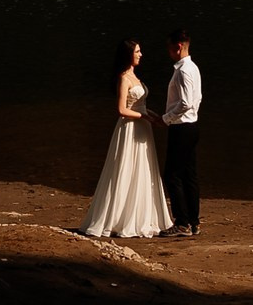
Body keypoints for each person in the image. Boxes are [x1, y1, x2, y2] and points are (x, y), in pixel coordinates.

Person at [79, 39, 172, 238]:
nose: (141, 54)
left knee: (143, 169)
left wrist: (155, 116)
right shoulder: (124, 78)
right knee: (126, 169)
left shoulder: (135, 76)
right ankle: (119, 218)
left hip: (142, 128)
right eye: (137, 51)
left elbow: (140, 105)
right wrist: (144, 117)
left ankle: (141, 216)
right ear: (128, 54)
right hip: (129, 129)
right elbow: (122, 110)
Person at [157, 29, 202, 237]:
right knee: (189, 174)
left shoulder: (184, 70)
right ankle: (193, 221)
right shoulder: (193, 68)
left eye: (169, 48)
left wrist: (165, 119)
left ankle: (183, 222)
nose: (169, 52)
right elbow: (197, 99)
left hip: (182, 127)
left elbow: (185, 102)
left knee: (173, 174)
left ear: (178, 47)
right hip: (191, 125)